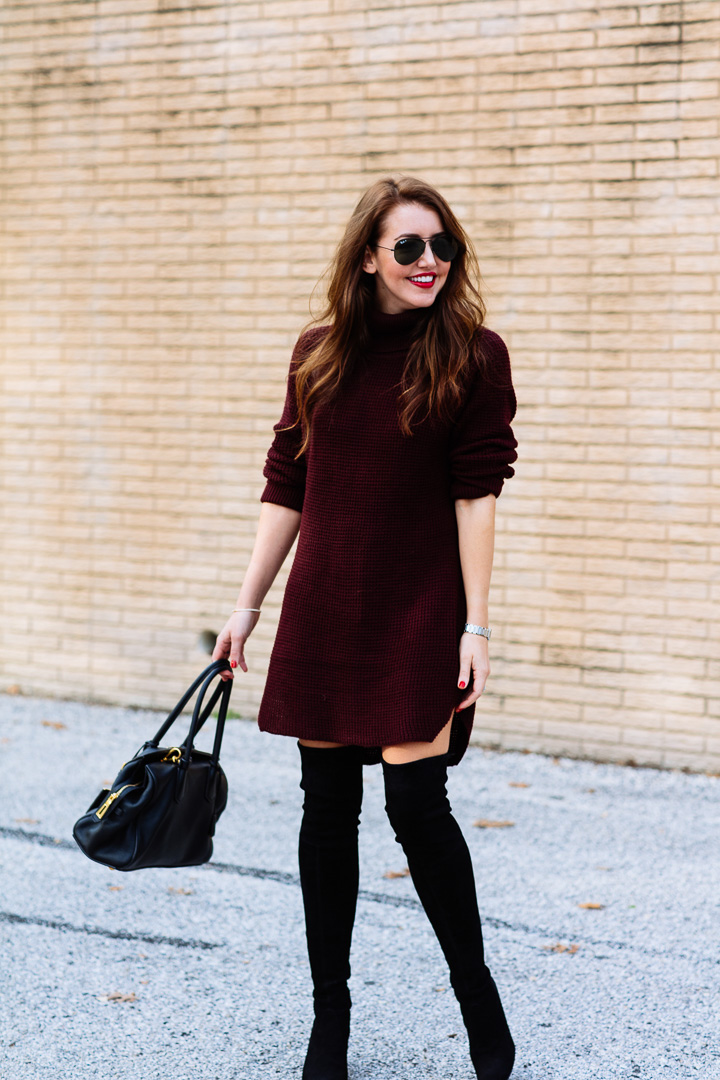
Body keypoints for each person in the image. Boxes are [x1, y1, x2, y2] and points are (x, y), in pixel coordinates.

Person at [213, 175, 518, 1080]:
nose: (431, 263)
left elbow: (477, 496)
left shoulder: (473, 353)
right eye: (411, 247)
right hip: (327, 606)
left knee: (419, 810)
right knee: (326, 811)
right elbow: (287, 487)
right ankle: (329, 1025)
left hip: (421, 606)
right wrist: (246, 604)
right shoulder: (318, 355)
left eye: (443, 246)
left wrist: (477, 624)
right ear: (368, 257)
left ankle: (482, 1011)